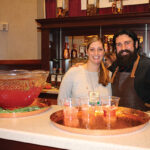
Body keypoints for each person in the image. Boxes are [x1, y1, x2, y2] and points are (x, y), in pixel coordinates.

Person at [57, 37, 112, 105]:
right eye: (92, 49)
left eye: (100, 49)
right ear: (87, 51)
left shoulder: (108, 75)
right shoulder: (73, 73)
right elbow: (61, 102)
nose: (96, 53)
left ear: (104, 51)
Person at [109, 30, 150, 111]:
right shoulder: (115, 66)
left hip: (144, 121)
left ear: (136, 44)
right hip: (118, 120)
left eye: (127, 43)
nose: (123, 48)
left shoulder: (147, 65)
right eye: (119, 45)